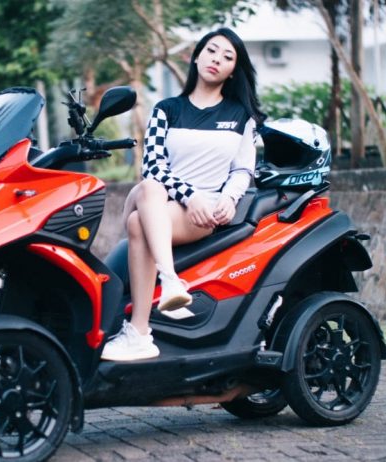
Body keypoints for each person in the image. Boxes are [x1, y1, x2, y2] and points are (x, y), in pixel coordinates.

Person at [101, 27, 266, 362]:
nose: (216, 59)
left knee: (136, 223)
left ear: (233, 71)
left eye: (227, 57)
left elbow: (242, 170)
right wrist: (191, 195)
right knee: (149, 188)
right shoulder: (167, 109)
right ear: (196, 56)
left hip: (200, 214)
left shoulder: (240, 116)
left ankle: (139, 333)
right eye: (211, 50)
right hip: (171, 200)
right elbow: (153, 167)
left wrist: (229, 198)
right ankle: (170, 281)